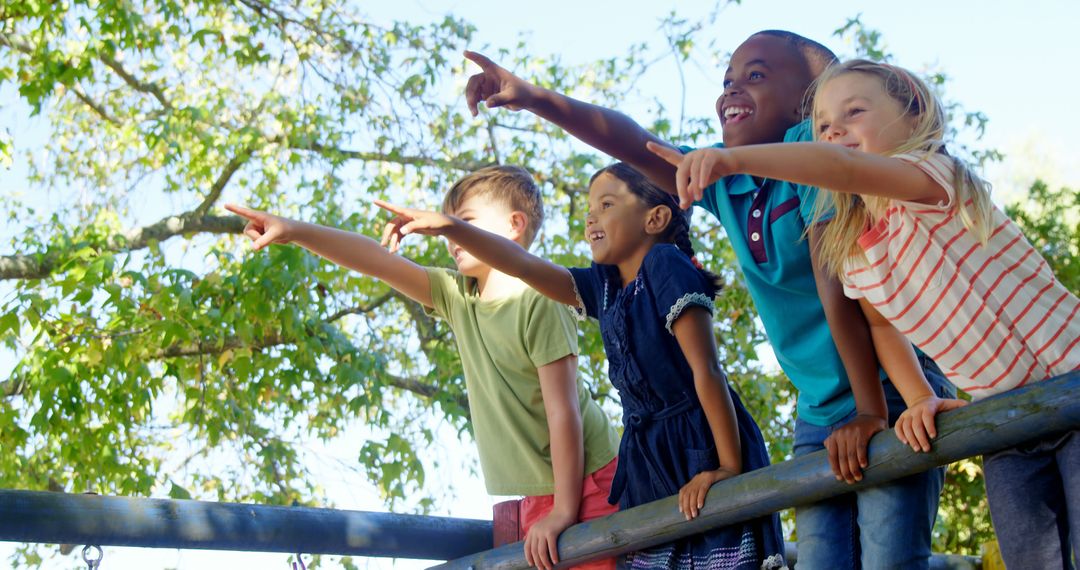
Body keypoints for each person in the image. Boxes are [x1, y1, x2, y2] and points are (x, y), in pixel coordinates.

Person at [463, 31, 951, 569]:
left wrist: (868, 410)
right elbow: (633, 143)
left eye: (756, 75)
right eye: (727, 80)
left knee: (889, 554)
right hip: (820, 409)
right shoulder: (728, 177)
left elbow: (837, 286)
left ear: (809, 104)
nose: (731, 90)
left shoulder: (816, 163)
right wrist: (534, 97)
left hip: (887, 388)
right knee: (820, 559)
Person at [651, 58, 1080, 569]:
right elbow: (882, 325)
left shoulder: (934, 180)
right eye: (826, 126)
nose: (836, 133)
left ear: (913, 109)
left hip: (1070, 381)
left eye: (855, 112)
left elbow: (844, 168)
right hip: (1005, 421)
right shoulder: (854, 246)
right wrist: (919, 396)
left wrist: (735, 161)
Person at [375, 162, 786, 570]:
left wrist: (728, 467)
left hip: (703, 445)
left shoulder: (665, 265)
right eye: (589, 208)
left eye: (606, 204)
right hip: (646, 460)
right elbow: (520, 265)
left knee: (725, 558)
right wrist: (451, 228)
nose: (591, 217)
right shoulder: (602, 287)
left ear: (655, 217)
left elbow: (707, 372)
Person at [224, 166, 621, 570]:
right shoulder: (458, 297)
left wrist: (563, 510)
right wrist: (293, 230)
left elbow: (563, 412)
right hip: (535, 493)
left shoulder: (541, 297)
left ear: (515, 225)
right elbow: (376, 261)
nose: (452, 239)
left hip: (586, 482)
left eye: (464, 223)